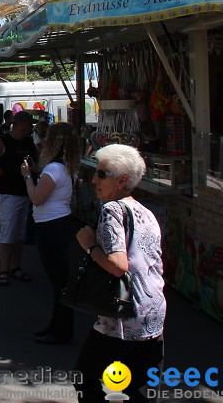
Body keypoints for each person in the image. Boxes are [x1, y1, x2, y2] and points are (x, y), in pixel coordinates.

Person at [74, 144, 166, 401]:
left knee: (85, 377)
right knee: (139, 386)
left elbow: (117, 265)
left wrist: (89, 245)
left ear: (122, 180)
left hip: (124, 313)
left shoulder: (112, 210)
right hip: (153, 310)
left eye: (102, 174)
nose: (94, 180)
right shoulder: (145, 212)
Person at [20, 122, 82, 344]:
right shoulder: (65, 166)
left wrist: (27, 176)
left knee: (59, 283)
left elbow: (37, 197)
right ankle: (56, 327)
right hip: (59, 224)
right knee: (60, 282)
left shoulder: (53, 169)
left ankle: (61, 331)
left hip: (51, 226)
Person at [0, 109, 38, 286]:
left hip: (25, 191)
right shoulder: (3, 141)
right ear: (20, 125)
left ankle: (15, 266)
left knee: (19, 232)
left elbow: (36, 159)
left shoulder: (28, 141)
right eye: (29, 124)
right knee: (8, 230)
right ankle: (4, 269)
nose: (32, 127)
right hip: (8, 192)